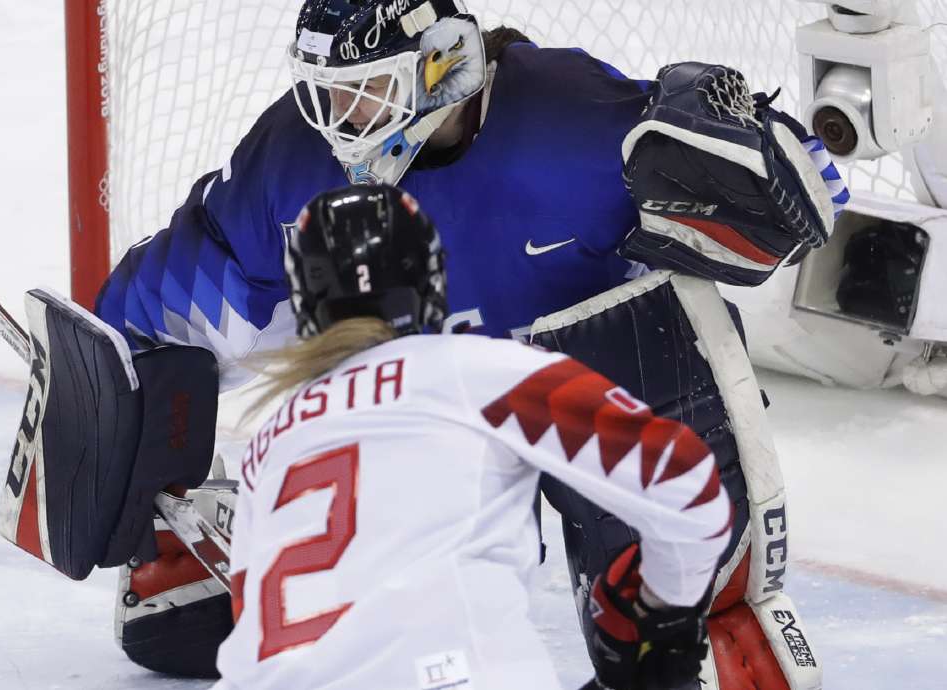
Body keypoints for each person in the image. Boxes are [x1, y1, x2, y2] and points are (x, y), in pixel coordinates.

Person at [94, 0, 844, 686]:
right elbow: (146, 323)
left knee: (704, 614)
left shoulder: (572, 123)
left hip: (598, 370)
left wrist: (779, 161)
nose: (339, 121)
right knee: (669, 624)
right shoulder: (294, 163)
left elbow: (776, 194)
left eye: (365, 89)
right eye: (326, 93)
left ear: (444, 59)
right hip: (481, 416)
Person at [214, 183, 730, 690]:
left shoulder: (272, 438)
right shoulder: (481, 370)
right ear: (432, 280)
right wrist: (664, 615)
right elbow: (682, 476)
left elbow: (250, 611)